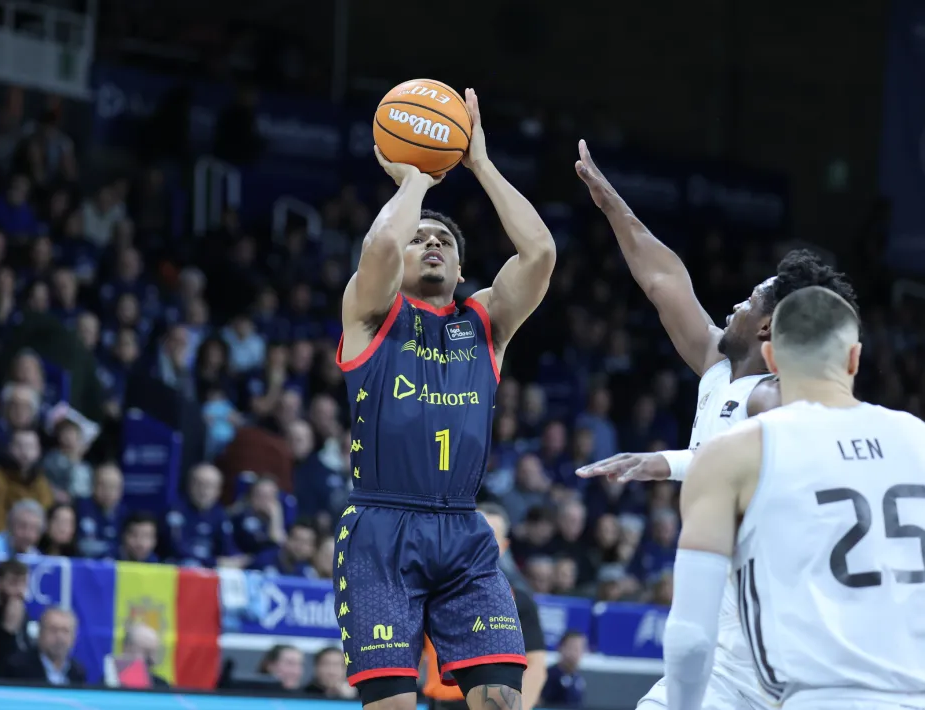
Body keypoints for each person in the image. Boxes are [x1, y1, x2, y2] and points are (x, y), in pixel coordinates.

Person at [573, 142, 860, 710]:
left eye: (748, 301)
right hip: (734, 613)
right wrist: (610, 204)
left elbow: (803, 450)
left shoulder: (774, 397)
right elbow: (661, 279)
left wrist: (670, 462)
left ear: (768, 330)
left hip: (776, 620)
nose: (732, 307)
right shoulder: (718, 367)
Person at [335, 88, 556, 710]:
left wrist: (479, 163)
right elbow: (379, 248)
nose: (432, 244)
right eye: (421, 240)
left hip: (462, 527)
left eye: (446, 243)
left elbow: (539, 253)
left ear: (462, 272)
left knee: (500, 701)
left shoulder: (485, 323)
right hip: (381, 526)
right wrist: (418, 179)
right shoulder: (370, 314)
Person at [664, 286, 925, 710]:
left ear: (772, 360)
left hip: (812, 694)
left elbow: (691, 639)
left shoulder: (736, 452)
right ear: (854, 358)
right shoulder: (917, 438)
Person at [422, 503, 548, 710]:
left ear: (504, 546)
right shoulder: (431, 591)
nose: (480, 543)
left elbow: (537, 667)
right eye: (475, 534)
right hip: (437, 703)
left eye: (490, 536)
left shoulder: (518, 599)